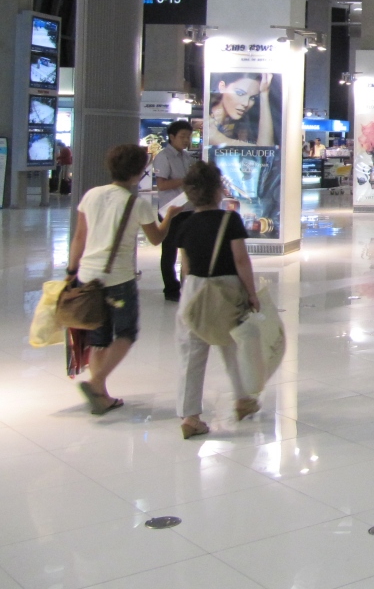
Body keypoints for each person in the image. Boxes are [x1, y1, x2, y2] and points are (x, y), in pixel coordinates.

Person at [65, 144, 173, 415]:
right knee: (126, 333)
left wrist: (71, 270)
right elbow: (156, 238)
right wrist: (169, 217)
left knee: (98, 338)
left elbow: (79, 237)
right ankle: (96, 383)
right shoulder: (137, 204)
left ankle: (102, 396)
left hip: (88, 276)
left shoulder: (91, 195)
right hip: (118, 279)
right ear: (138, 172)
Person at [173, 161, 260, 438]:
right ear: (218, 190)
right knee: (232, 346)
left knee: (191, 355)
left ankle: (190, 417)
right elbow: (240, 259)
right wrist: (251, 292)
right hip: (226, 288)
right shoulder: (229, 220)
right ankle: (243, 398)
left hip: (194, 290)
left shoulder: (185, 223)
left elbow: (185, 266)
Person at [153, 119, 195, 301]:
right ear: (172, 137)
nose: (186, 140)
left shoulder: (188, 157)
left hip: (188, 209)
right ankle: (171, 290)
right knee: (169, 252)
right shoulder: (163, 157)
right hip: (170, 211)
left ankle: (187, 287)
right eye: (182, 136)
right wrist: (186, 180)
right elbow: (162, 185)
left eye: (188, 137)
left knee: (189, 251)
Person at [207, 72, 275, 147]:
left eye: (252, 98)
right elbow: (263, 150)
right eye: (240, 93)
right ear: (222, 87)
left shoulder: (242, 125)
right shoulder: (207, 120)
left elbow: (266, 149)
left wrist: (264, 93)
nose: (246, 103)